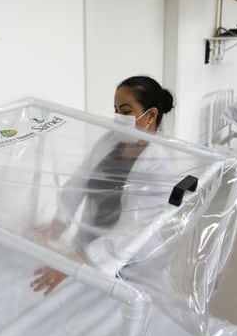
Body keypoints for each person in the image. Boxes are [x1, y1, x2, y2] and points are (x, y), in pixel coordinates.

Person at [30, 76, 175, 295]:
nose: (118, 118)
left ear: (151, 115)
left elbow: (131, 230)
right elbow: (78, 182)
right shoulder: (110, 141)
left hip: (132, 262)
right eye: (116, 110)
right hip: (88, 246)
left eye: (126, 112)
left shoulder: (158, 166)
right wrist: (58, 223)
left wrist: (77, 261)